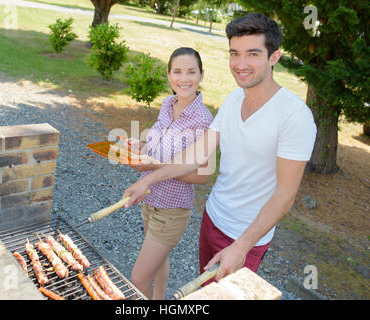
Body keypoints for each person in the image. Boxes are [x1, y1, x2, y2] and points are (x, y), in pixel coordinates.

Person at [123, 13, 317, 284]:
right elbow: (197, 154)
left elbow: (285, 195)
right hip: (212, 219)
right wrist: (150, 180)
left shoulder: (295, 116)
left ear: (274, 57)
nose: (240, 64)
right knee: (203, 292)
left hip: (246, 237)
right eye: (234, 53)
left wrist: (242, 246)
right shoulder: (233, 99)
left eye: (252, 54)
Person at [126, 47, 213, 299]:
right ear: (168, 75)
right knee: (158, 262)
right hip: (149, 198)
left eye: (191, 72)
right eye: (177, 71)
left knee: (138, 278)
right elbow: (157, 146)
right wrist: (137, 146)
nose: (183, 79)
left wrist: (153, 166)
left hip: (172, 210)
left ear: (201, 75)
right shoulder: (167, 103)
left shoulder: (204, 120)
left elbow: (202, 176)